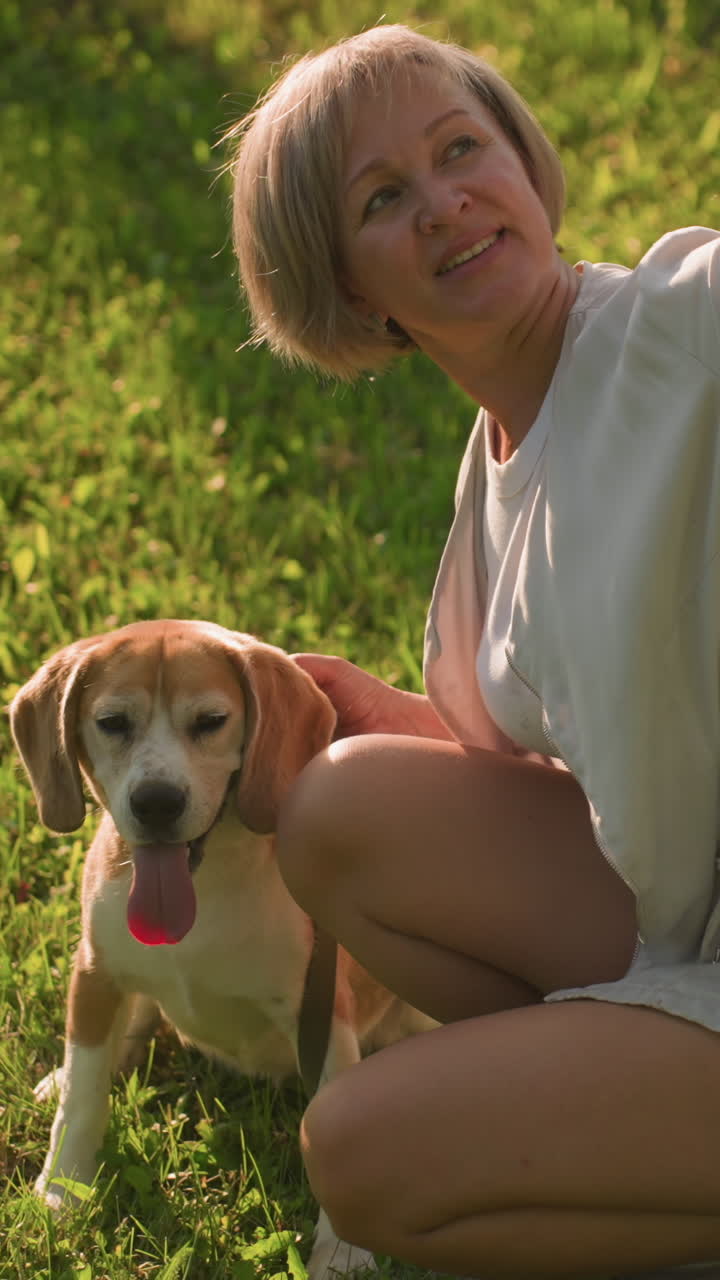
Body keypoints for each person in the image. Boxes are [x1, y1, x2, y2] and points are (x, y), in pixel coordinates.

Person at [228, 24, 720, 1277]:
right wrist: (390, 712)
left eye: (460, 149)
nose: (444, 202)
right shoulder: (493, 477)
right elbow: (597, 761)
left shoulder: (682, 322)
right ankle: (626, 1121)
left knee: (363, 1154)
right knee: (335, 810)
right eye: (383, 199)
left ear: (522, 160)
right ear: (351, 290)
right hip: (685, 918)